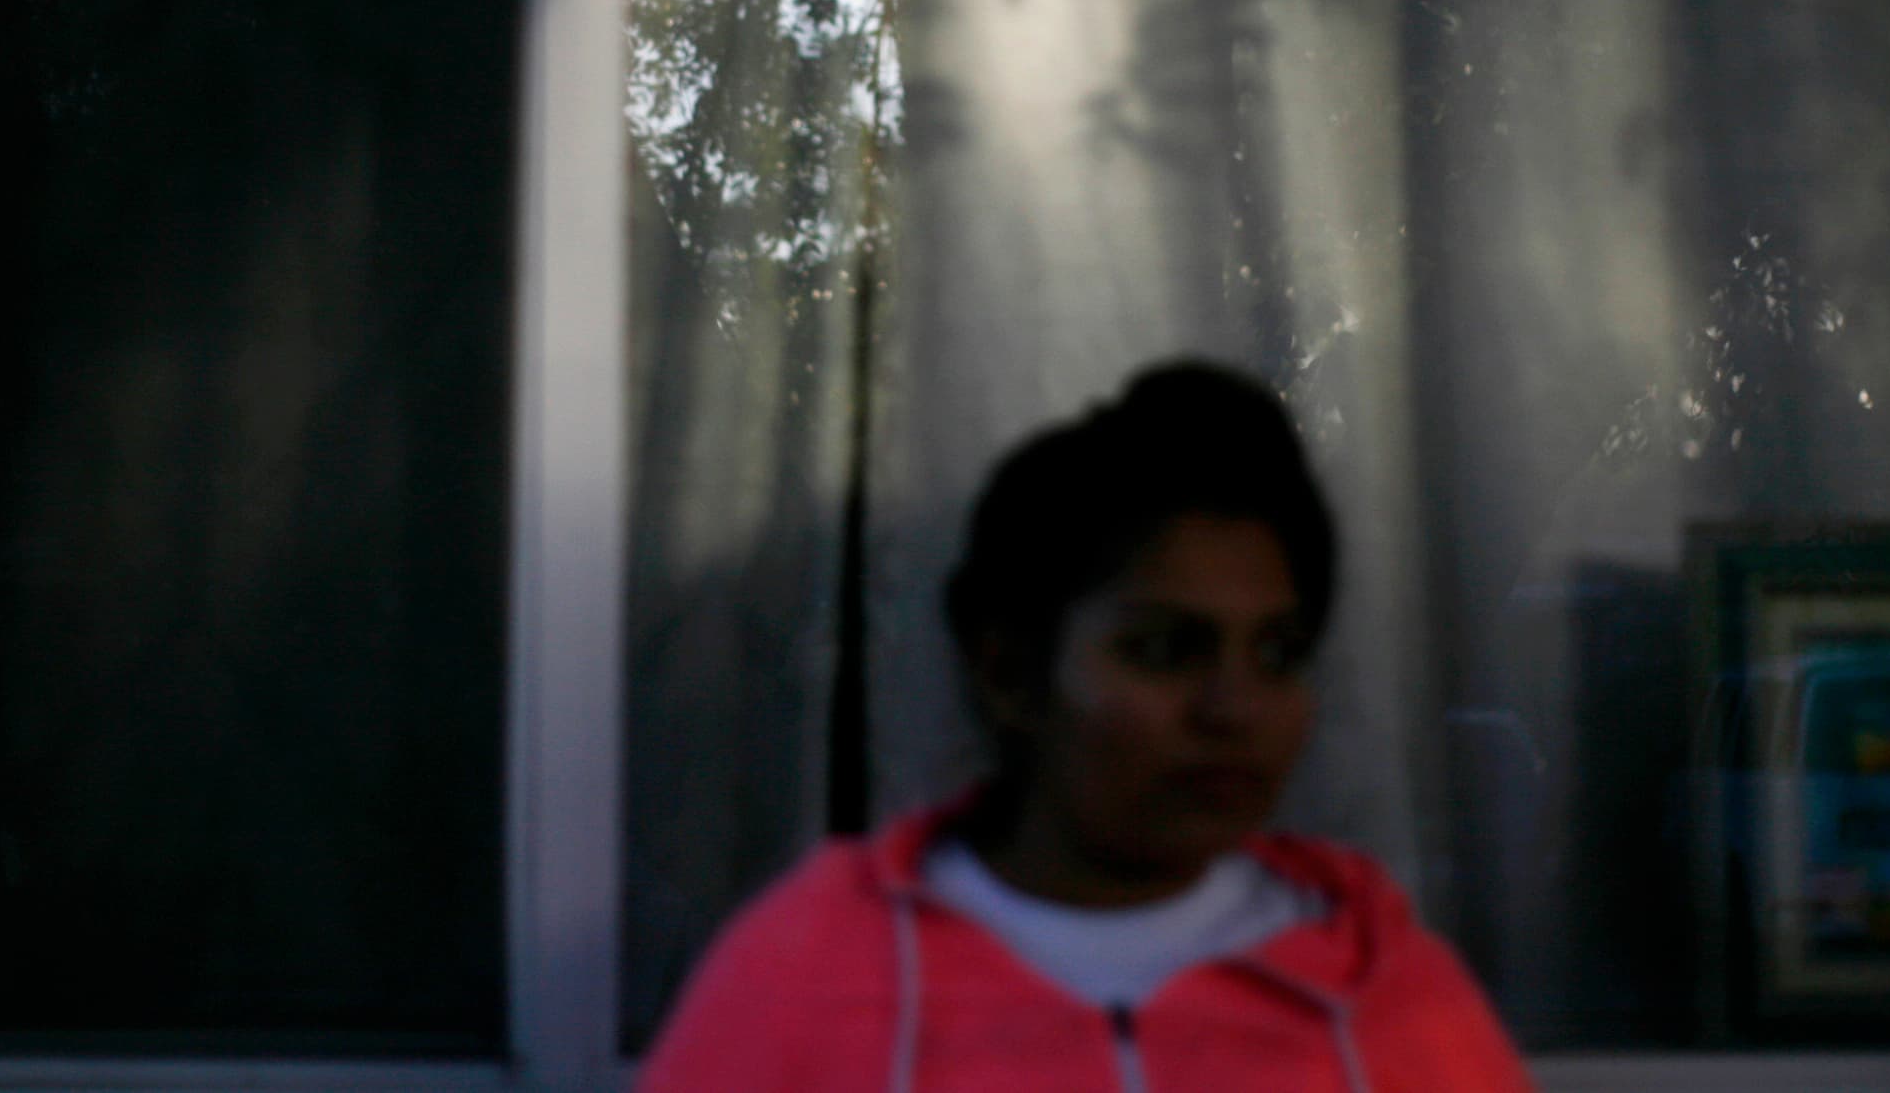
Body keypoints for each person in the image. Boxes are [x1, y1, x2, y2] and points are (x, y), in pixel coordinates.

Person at [639, 360, 1529, 1091]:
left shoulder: (1385, 990)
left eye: (1278, 654)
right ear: (1009, 673)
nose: (1235, 708)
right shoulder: (813, 975)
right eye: (1164, 649)